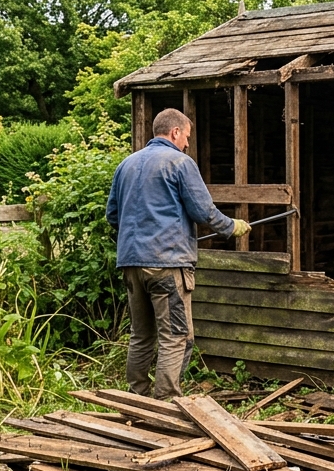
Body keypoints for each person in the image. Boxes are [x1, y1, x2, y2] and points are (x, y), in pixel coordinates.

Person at [106, 108, 251, 399]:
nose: (187, 143)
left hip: (131, 264)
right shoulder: (180, 162)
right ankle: (166, 403)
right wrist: (231, 227)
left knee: (141, 335)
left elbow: (113, 215)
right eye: (186, 137)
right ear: (175, 132)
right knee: (176, 336)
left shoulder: (126, 164)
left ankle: (137, 398)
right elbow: (203, 211)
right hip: (167, 265)